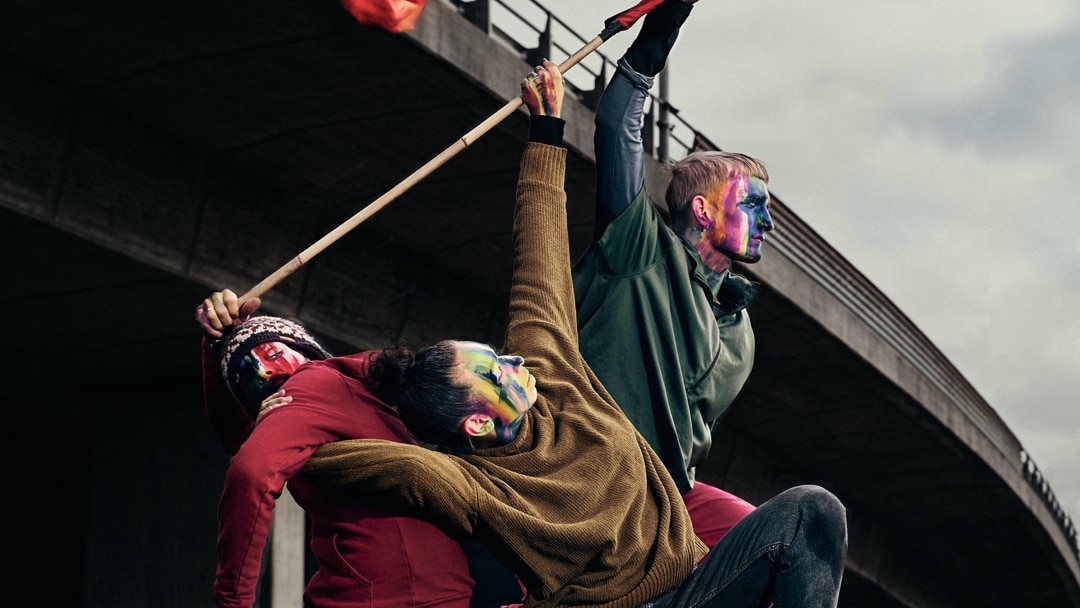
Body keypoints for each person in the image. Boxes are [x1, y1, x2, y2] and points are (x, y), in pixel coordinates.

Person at [299, 58, 847, 607]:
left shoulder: (555, 376)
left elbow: (538, 258)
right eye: (493, 370)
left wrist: (545, 131)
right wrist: (271, 379)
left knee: (812, 510)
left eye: (498, 354)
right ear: (477, 421)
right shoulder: (477, 489)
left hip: (688, 589)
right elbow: (356, 462)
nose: (513, 361)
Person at [573, 0, 770, 547]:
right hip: (584, 471)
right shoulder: (639, 247)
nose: (768, 221)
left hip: (665, 495)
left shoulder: (741, 328)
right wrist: (661, 31)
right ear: (702, 211)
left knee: (792, 527)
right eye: (752, 205)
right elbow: (616, 128)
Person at [196, 291, 523, 607]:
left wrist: (233, 600)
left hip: (400, 591)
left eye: (271, 355)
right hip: (408, 591)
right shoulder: (350, 382)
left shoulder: (310, 389)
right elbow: (242, 449)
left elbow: (248, 464)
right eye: (245, 374)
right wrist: (215, 347)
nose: (263, 372)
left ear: (305, 351)